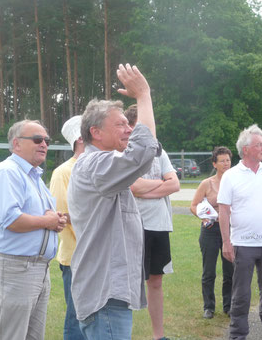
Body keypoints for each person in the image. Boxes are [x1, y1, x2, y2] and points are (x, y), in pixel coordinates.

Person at [67, 64, 161, 340]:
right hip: (104, 296)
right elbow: (143, 152)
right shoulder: (95, 165)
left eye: (129, 124)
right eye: (121, 124)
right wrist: (143, 96)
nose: (129, 130)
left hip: (109, 295)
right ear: (95, 132)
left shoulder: (105, 166)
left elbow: (140, 154)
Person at [0, 119, 67, 340]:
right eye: (37, 139)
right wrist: (47, 222)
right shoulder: (7, 172)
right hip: (16, 268)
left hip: (38, 269)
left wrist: (56, 220)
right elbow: (11, 219)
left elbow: (43, 216)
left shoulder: (35, 176)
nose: (44, 145)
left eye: (47, 141)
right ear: (16, 144)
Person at [218, 124, 262, 340]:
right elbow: (224, 211)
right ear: (246, 149)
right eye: (259, 144)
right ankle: (238, 336)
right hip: (243, 243)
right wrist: (226, 242)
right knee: (241, 295)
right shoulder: (231, 175)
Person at [124, 104, 180, 340]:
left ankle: (159, 336)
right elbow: (133, 186)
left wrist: (146, 188)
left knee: (155, 281)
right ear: (132, 127)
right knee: (127, 283)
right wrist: (161, 185)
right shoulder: (125, 152)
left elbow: (175, 185)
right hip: (134, 226)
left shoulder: (160, 151)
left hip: (159, 225)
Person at [49, 115, 85, 340]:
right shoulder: (63, 172)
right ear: (81, 139)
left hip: (99, 257)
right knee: (77, 318)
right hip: (76, 259)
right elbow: (61, 216)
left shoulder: (101, 167)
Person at [190, 146, 234, 319]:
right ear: (214, 164)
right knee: (209, 271)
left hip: (230, 229)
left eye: (228, 160)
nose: (226, 164)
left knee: (230, 270)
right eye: (222, 161)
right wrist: (203, 217)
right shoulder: (206, 184)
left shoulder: (235, 181)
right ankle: (208, 307)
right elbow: (193, 205)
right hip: (210, 230)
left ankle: (229, 305)